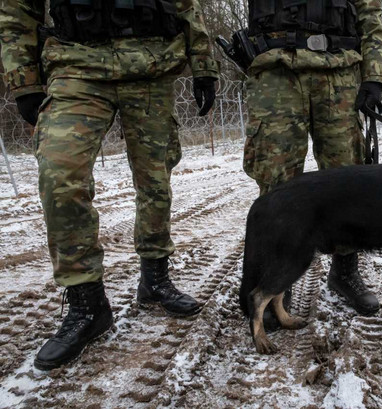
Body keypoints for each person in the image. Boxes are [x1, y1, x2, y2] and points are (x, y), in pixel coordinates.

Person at [0, 0, 219, 370]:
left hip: (152, 62)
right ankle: (88, 305)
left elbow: (186, 4)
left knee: (155, 180)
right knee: (59, 173)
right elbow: (17, 8)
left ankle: (155, 280)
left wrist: (204, 64)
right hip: (75, 65)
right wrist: (24, 80)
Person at [242, 0, 382, 322]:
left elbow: (370, 18)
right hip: (276, 70)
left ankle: (345, 272)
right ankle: (276, 281)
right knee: (275, 180)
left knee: (347, 180)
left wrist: (375, 76)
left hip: (340, 70)